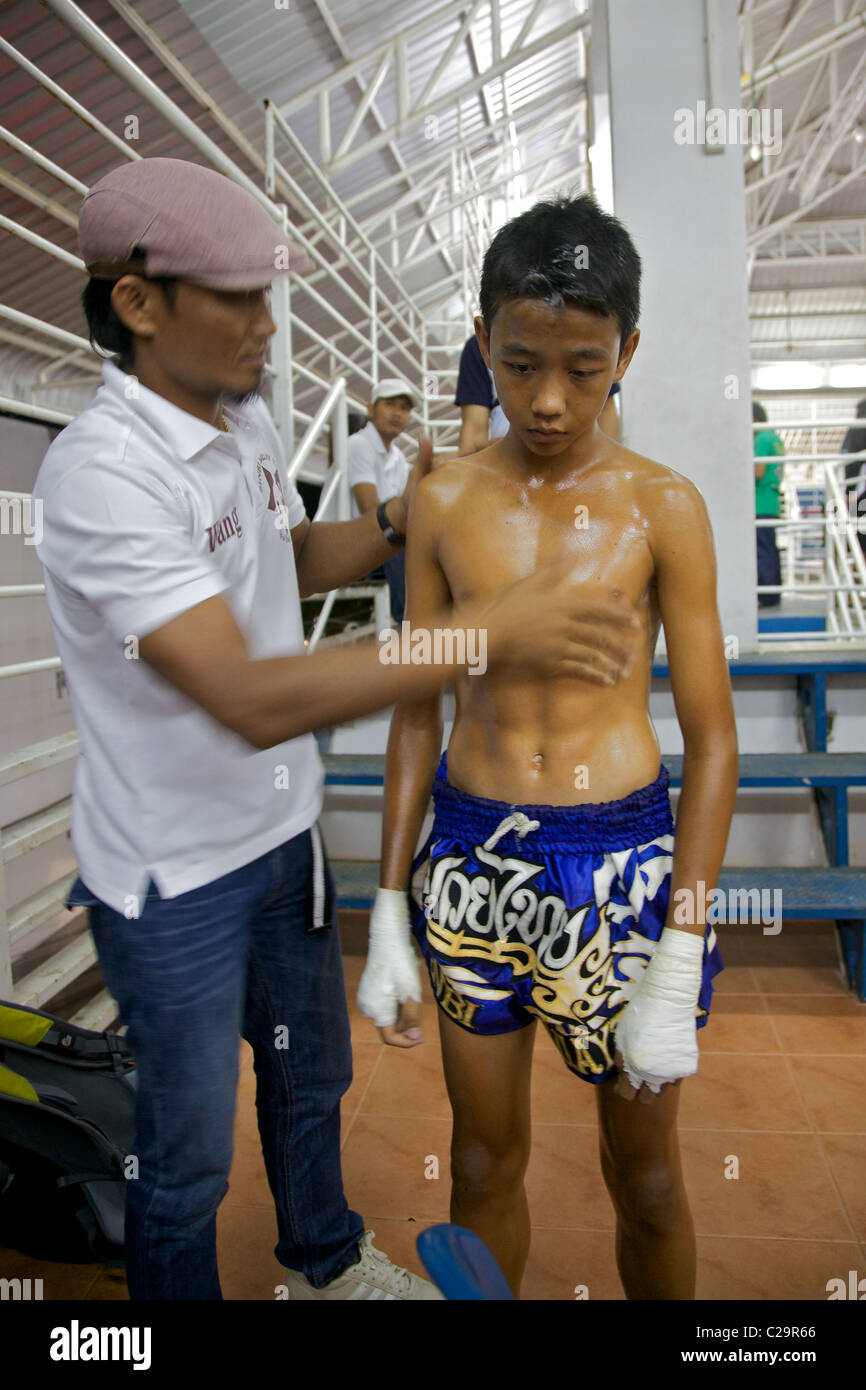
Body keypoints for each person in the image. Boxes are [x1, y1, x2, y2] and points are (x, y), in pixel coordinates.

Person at [32, 159, 642, 1301]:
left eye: (271, 295)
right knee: (185, 1159)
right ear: (138, 302)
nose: (269, 325)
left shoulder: (243, 420)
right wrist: (486, 627)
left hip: (277, 839)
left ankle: (321, 1264)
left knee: (311, 1080)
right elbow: (251, 693)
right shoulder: (101, 476)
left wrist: (399, 521)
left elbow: (287, 563)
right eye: (239, 299)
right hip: (173, 877)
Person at [358, 194, 738, 1300]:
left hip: (621, 867)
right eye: (520, 365)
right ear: (482, 345)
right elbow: (416, 707)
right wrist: (387, 903)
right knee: (478, 1159)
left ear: (627, 349)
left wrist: (680, 941)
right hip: (473, 859)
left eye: (583, 366)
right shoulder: (439, 503)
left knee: (651, 1178)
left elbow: (712, 743)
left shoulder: (663, 507)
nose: (549, 400)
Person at [456, 329, 622, 451]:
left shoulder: (590, 339)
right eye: (521, 368)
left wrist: (609, 463)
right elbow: (474, 431)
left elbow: (607, 414)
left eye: (581, 372)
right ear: (486, 345)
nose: (549, 406)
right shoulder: (480, 349)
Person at [348, 381, 414, 623]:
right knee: (396, 539)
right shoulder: (359, 444)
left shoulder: (398, 457)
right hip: (351, 544)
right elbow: (371, 513)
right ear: (370, 409)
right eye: (389, 404)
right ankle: (408, 624)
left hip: (377, 545)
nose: (397, 413)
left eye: (404, 408)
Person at [753, 401, 785, 609]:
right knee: (770, 548)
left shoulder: (761, 437)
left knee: (762, 549)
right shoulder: (775, 438)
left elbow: (758, 472)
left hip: (760, 501)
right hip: (771, 500)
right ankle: (773, 593)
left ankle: (766, 595)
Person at [841, 397, 866, 563]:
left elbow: (850, 465)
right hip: (858, 494)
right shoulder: (857, 430)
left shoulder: (857, 428)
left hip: (858, 496)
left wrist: (848, 494)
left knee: (858, 544)